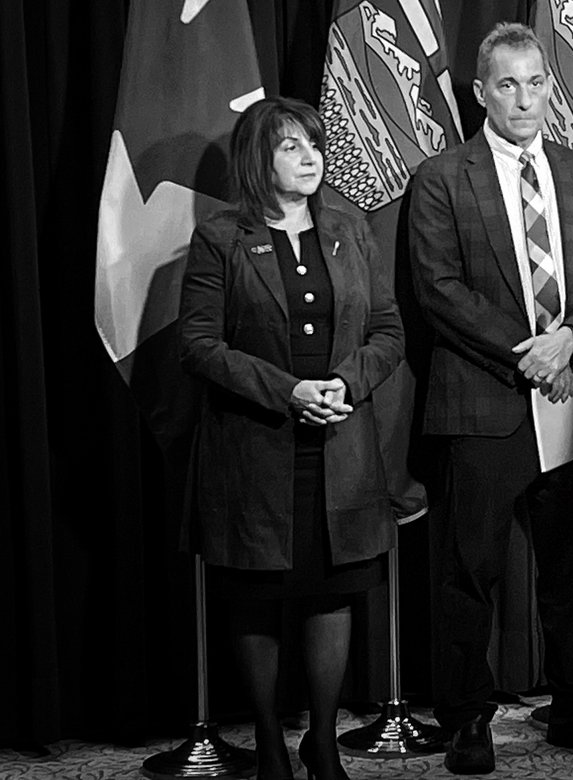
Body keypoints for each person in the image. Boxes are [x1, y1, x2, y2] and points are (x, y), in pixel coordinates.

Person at [407, 22, 573, 775]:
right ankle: (468, 718)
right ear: (481, 92)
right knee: (468, 569)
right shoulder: (442, 177)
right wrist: (531, 353)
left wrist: (569, 337)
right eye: (507, 84)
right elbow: (438, 292)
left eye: (536, 81)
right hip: (484, 397)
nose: (525, 98)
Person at [179, 96, 404, 780]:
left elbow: (388, 330)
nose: (312, 159)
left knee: (330, 592)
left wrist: (344, 383)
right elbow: (198, 345)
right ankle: (273, 744)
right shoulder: (222, 237)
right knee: (259, 594)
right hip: (255, 451)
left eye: (315, 145)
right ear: (260, 158)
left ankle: (325, 743)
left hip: (340, 450)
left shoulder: (350, 227)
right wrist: (287, 392)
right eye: (292, 148)